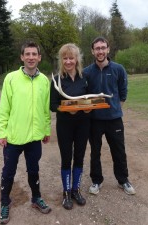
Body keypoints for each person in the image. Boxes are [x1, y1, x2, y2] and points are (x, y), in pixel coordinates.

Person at [0, 41, 52, 224]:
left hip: (35, 137)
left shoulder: (44, 80)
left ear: (39, 57)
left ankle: (36, 198)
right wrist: (1, 132)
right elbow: (4, 107)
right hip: (13, 137)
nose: (31, 57)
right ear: (22, 57)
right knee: (8, 172)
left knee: (34, 170)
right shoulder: (11, 78)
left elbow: (45, 110)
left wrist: (46, 130)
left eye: (34, 54)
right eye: (27, 54)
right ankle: (5, 202)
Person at [83, 37, 136, 195]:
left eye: (103, 48)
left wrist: (114, 109)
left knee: (119, 151)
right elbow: (84, 96)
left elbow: (123, 93)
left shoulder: (118, 69)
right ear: (92, 51)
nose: (100, 51)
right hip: (94, 120)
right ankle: (96, 181)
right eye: (97, 48)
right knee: (95, 152)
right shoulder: (86, 72)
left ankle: (123, 180)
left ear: (108, 49)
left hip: (114, 120)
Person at [50, 43, 90, 210]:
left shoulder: (85, 78)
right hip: (65, 126)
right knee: (67, 159)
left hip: (83, 125)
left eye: (71, 58)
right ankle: (66, 192)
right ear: (61, 60)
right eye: (65, 58)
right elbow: (52, 105)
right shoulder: (57, 80)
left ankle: (76, 190)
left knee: (79, 158)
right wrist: (67, 110)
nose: (68, 61)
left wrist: (88, 108)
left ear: (77, 59)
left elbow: (91, 100)